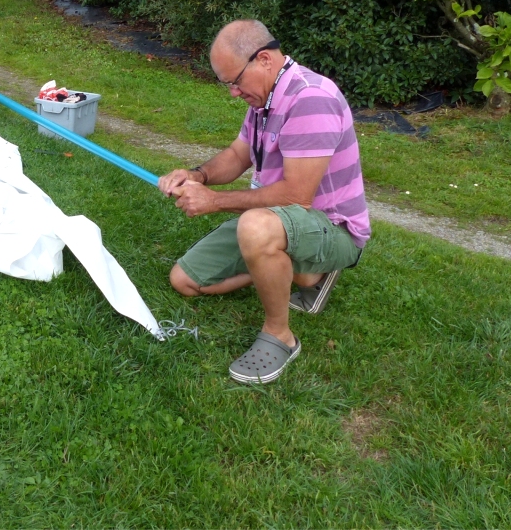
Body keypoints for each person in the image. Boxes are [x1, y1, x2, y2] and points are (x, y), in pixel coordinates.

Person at [159, 20, 370, 384]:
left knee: (254, 226)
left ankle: (280, 336)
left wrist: (214, 201)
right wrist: (198, 176)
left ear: (265, 60)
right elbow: (238, 155)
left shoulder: (310, 99)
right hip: (277, 218)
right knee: (184, 280)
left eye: (235, 81)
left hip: (330, 226)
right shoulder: (265, 98)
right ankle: (302, 274)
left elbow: (296, 197)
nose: (234, 93)